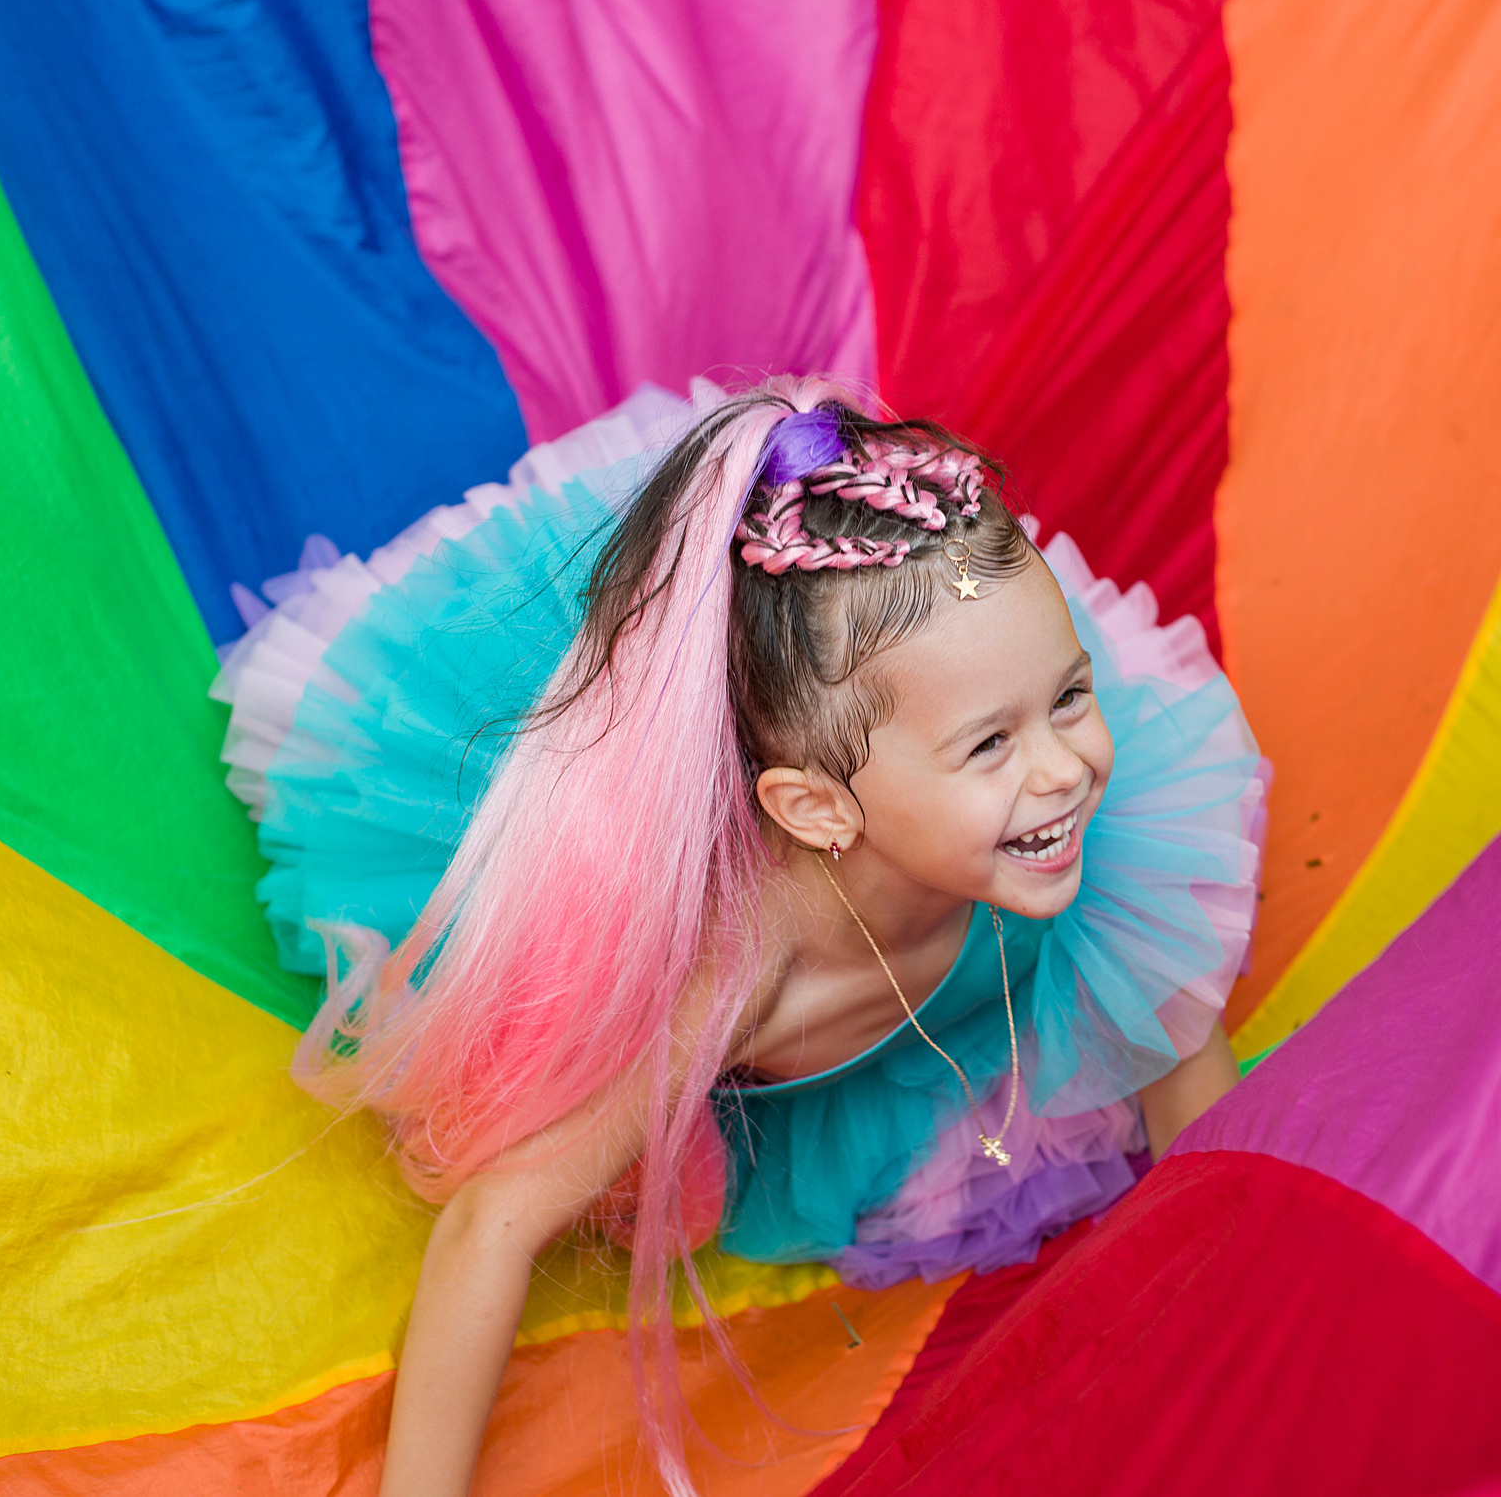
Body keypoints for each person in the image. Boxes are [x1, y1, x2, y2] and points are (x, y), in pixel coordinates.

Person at [213, 378, 1266, 1496]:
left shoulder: (1110, 826)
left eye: (1070, 696)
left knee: (974, 702)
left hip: (907, 770)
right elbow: (493, 1225)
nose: (1065, 768)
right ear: (819, 811)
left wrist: (1246, 1340)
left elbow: (1199, 1142)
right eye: (990, 747)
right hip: (659, 890)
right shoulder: (736, 973)